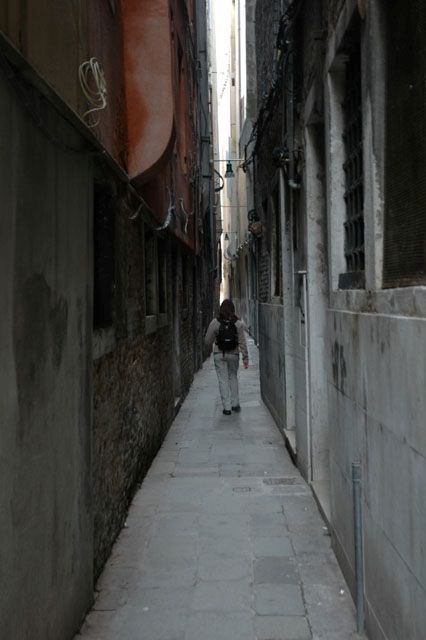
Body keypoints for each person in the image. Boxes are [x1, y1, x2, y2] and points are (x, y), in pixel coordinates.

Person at [204, 299, 249, 415]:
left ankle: (227, 408)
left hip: (219, 354)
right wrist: (245, 358)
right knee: (233, 377)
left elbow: (207, 341)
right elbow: (242, 342)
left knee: (223, 380)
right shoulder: (237, 323)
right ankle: (235, 404)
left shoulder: (215, 322)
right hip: (234, 354)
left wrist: (215, 341)